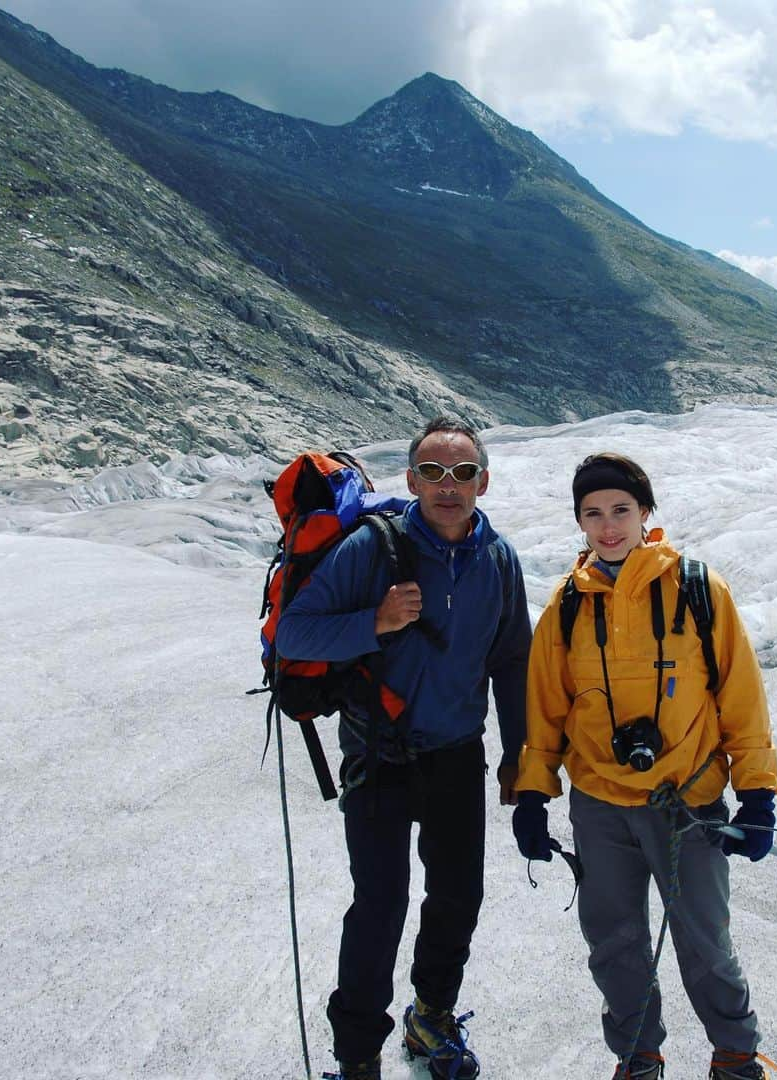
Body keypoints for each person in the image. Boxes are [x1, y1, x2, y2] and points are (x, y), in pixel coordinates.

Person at [276, 417, 531, 1080]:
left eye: (464, 472)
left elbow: (511, 661)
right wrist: (376, 622)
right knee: (381, 904)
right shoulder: (370, 549)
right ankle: (358, 1055)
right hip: (378, 752)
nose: (449, 486)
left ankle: (430, 1017)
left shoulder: (497, 559)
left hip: (455, 755)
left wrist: (517, 752)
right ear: (411, 479)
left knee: (457, 897)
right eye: (435, 473)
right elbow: (294, 639)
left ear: (484, 480)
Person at [512, 452, 777, 1080]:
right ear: (580, 521)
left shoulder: (698, 590)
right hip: (601, 805)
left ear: (646, 513)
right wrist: (532, 793)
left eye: (621, 510)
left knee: (705, 939)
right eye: (593, 513)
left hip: (687, 800)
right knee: (615, 942)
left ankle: (736, 1056)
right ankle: (639, 1058)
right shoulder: (566, 607)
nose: (608, 527)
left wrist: (759, 791)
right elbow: (545, 710)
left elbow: (740, 697)